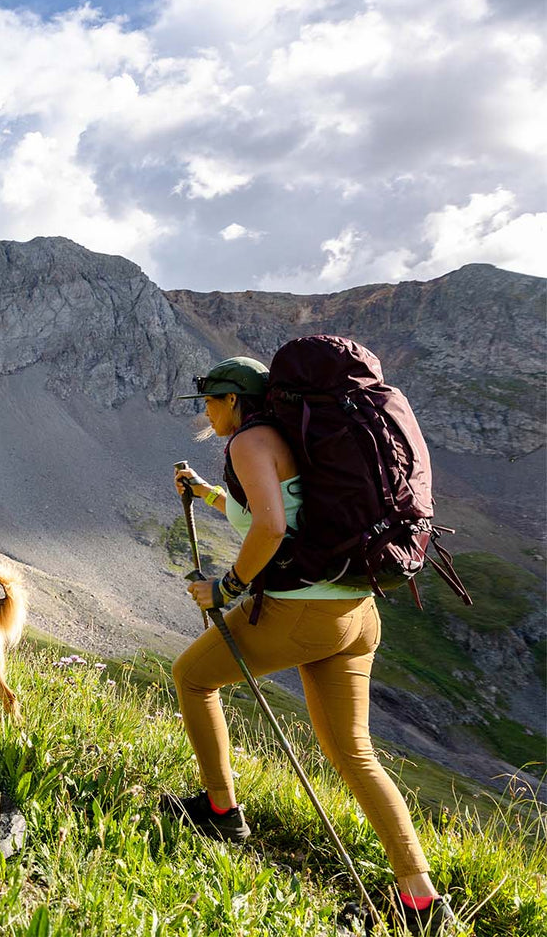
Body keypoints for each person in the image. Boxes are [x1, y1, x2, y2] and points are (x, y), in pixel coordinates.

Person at [164, 356, 456, 936]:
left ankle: (221, 811)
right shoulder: (302, 437)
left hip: (299, 614)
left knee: (192, 678)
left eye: (211, 401)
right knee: (354, 754)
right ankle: (422, 901)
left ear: (234, 401)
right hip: (356, 612)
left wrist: (226, 587)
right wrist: (205, 493)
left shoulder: (249, 442)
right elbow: (276, 510)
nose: (206, 412)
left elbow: (270, 530)